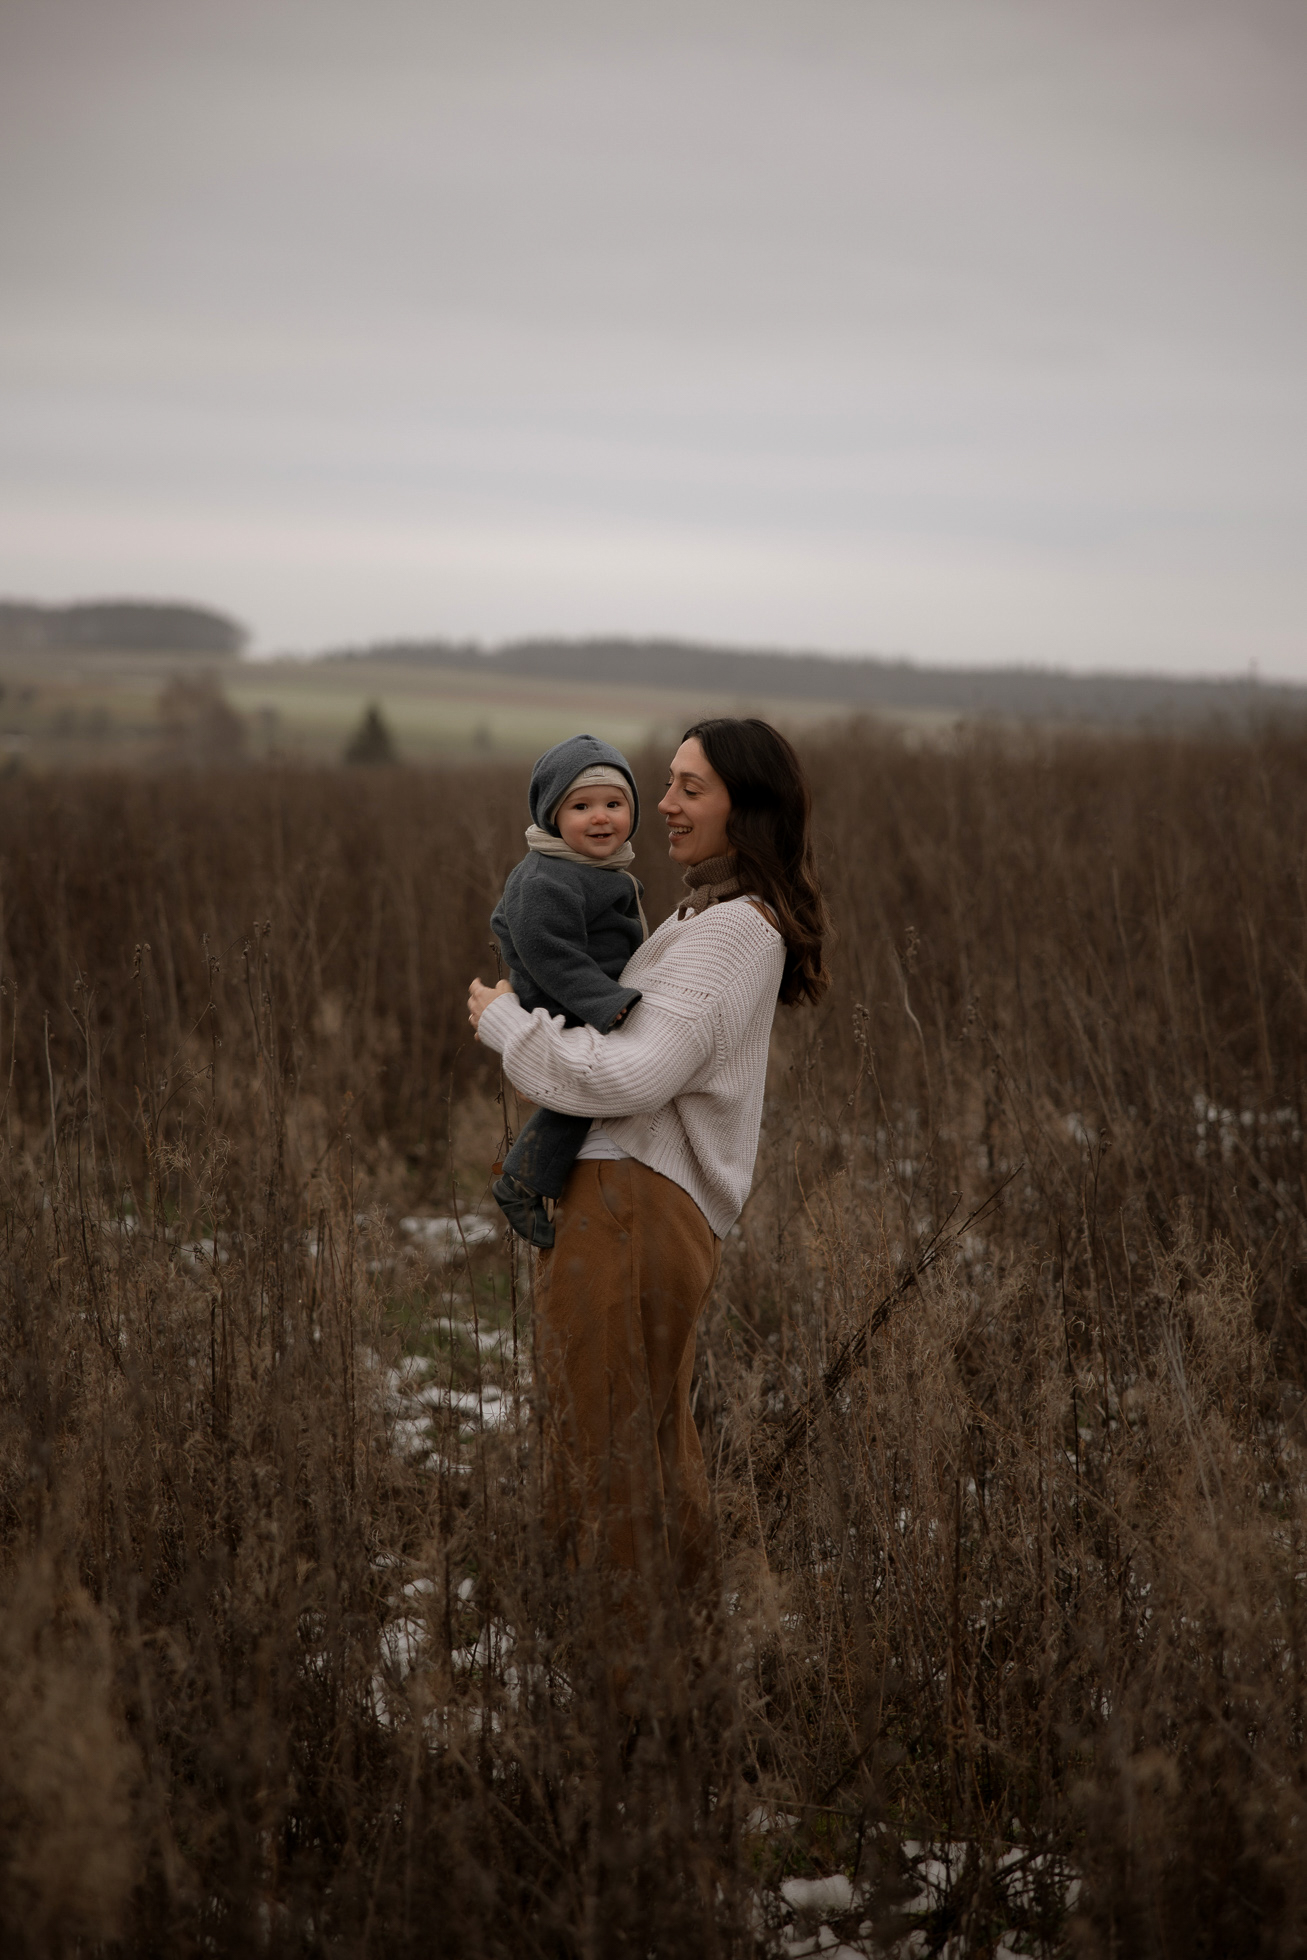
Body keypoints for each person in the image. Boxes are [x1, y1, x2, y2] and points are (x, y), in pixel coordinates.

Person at [468, 718, 828, 1611]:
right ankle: (669, 1669)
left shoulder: (732, 933)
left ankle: (632, 1692)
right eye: (664, 783)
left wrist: (506, 1023)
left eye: (688, 788)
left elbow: (631, 1073)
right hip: (633, 1206)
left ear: (744, 809)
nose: (659, 804)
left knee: (611, 1459)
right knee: (643, 1451)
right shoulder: (699, 914)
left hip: (629, 1207)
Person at [488, 733, 648, 1249]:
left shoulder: (592, 869)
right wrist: (606, 1002)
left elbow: (504, 921)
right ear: (552, 815)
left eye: (614, 803)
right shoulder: (546, 877)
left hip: (593, 993)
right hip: (564, 999)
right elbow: (548, 950)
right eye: (581, 806)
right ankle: (521, 1181)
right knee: (578, 1096)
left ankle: (535, 1178)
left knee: (585, 1099)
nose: (601, 817)